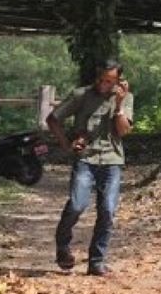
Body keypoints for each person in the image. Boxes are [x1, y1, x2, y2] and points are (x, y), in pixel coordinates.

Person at [47, 59, 134, 276]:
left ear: (118, 81)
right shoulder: (81, 95)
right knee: (77, 204)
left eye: (109, 81)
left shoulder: (125, 97)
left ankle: (97, 260)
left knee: (107, 210)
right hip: (85, 158)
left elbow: (124, 131)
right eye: (101, 79)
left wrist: (119, 106)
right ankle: (63, 245)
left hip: (112, 160)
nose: (103, 84)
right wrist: (66, 144)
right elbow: (53, 119)